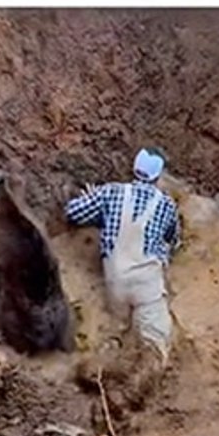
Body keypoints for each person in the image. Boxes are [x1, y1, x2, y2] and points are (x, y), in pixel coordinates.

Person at [65, 147, 180, 363]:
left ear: (134, 168)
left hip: (115, 282)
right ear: (158, 176)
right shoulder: (167, 205)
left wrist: (96, 206)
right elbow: (173, 240)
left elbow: (73, 212)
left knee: (117, 329)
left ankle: (107, 361)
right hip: (148, 285)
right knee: (156, 343)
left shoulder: (111, 192)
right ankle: (146, 379)